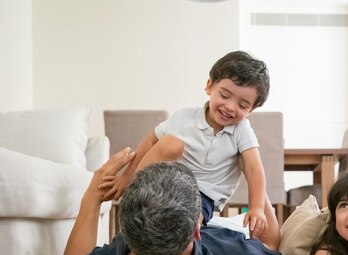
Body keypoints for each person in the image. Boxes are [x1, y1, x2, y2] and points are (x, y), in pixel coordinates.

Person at [100, 50, 271, 238]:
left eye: (242, 105)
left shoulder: (242, 130)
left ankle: (181, 241)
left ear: (251, 110)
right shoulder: (184, 117)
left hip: (202, 197)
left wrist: (257, 208)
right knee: (169, 144)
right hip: (168, 182)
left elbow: (255, 169)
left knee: (185, 223)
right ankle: (135, 200)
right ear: (209, 86)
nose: (230, 107)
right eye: (224, 95)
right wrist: (126, 177)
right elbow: (151, 141)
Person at [62, 149, 282, 255]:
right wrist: (249, 173)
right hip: (222, 231)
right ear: (198, 228)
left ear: (126, 229)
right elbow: (270, 244)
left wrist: (92, 196)